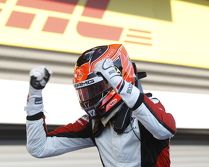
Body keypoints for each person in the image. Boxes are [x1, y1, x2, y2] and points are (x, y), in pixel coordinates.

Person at [25, 44, 176, 167]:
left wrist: (121, 85)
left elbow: (165, 130)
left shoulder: (148, 105)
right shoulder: (93, 122)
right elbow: (39, 148)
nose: (89, 97)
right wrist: (35, 96)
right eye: (85, 91)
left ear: (117, 78)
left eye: (95, 89)